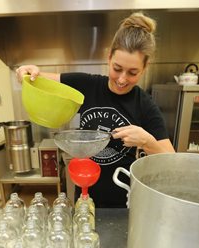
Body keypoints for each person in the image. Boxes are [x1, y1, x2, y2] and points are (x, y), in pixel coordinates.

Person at [16, 12, 175, 208]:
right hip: (85, 197)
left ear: (144, 68)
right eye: (117, 68)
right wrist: (26, 72)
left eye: (133, 72)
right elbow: (37, 80)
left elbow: (171, 162)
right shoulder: (87, 84)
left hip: (123, 201)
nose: (122, 79)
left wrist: (146, 140)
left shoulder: (144, 104)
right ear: (108, 57)